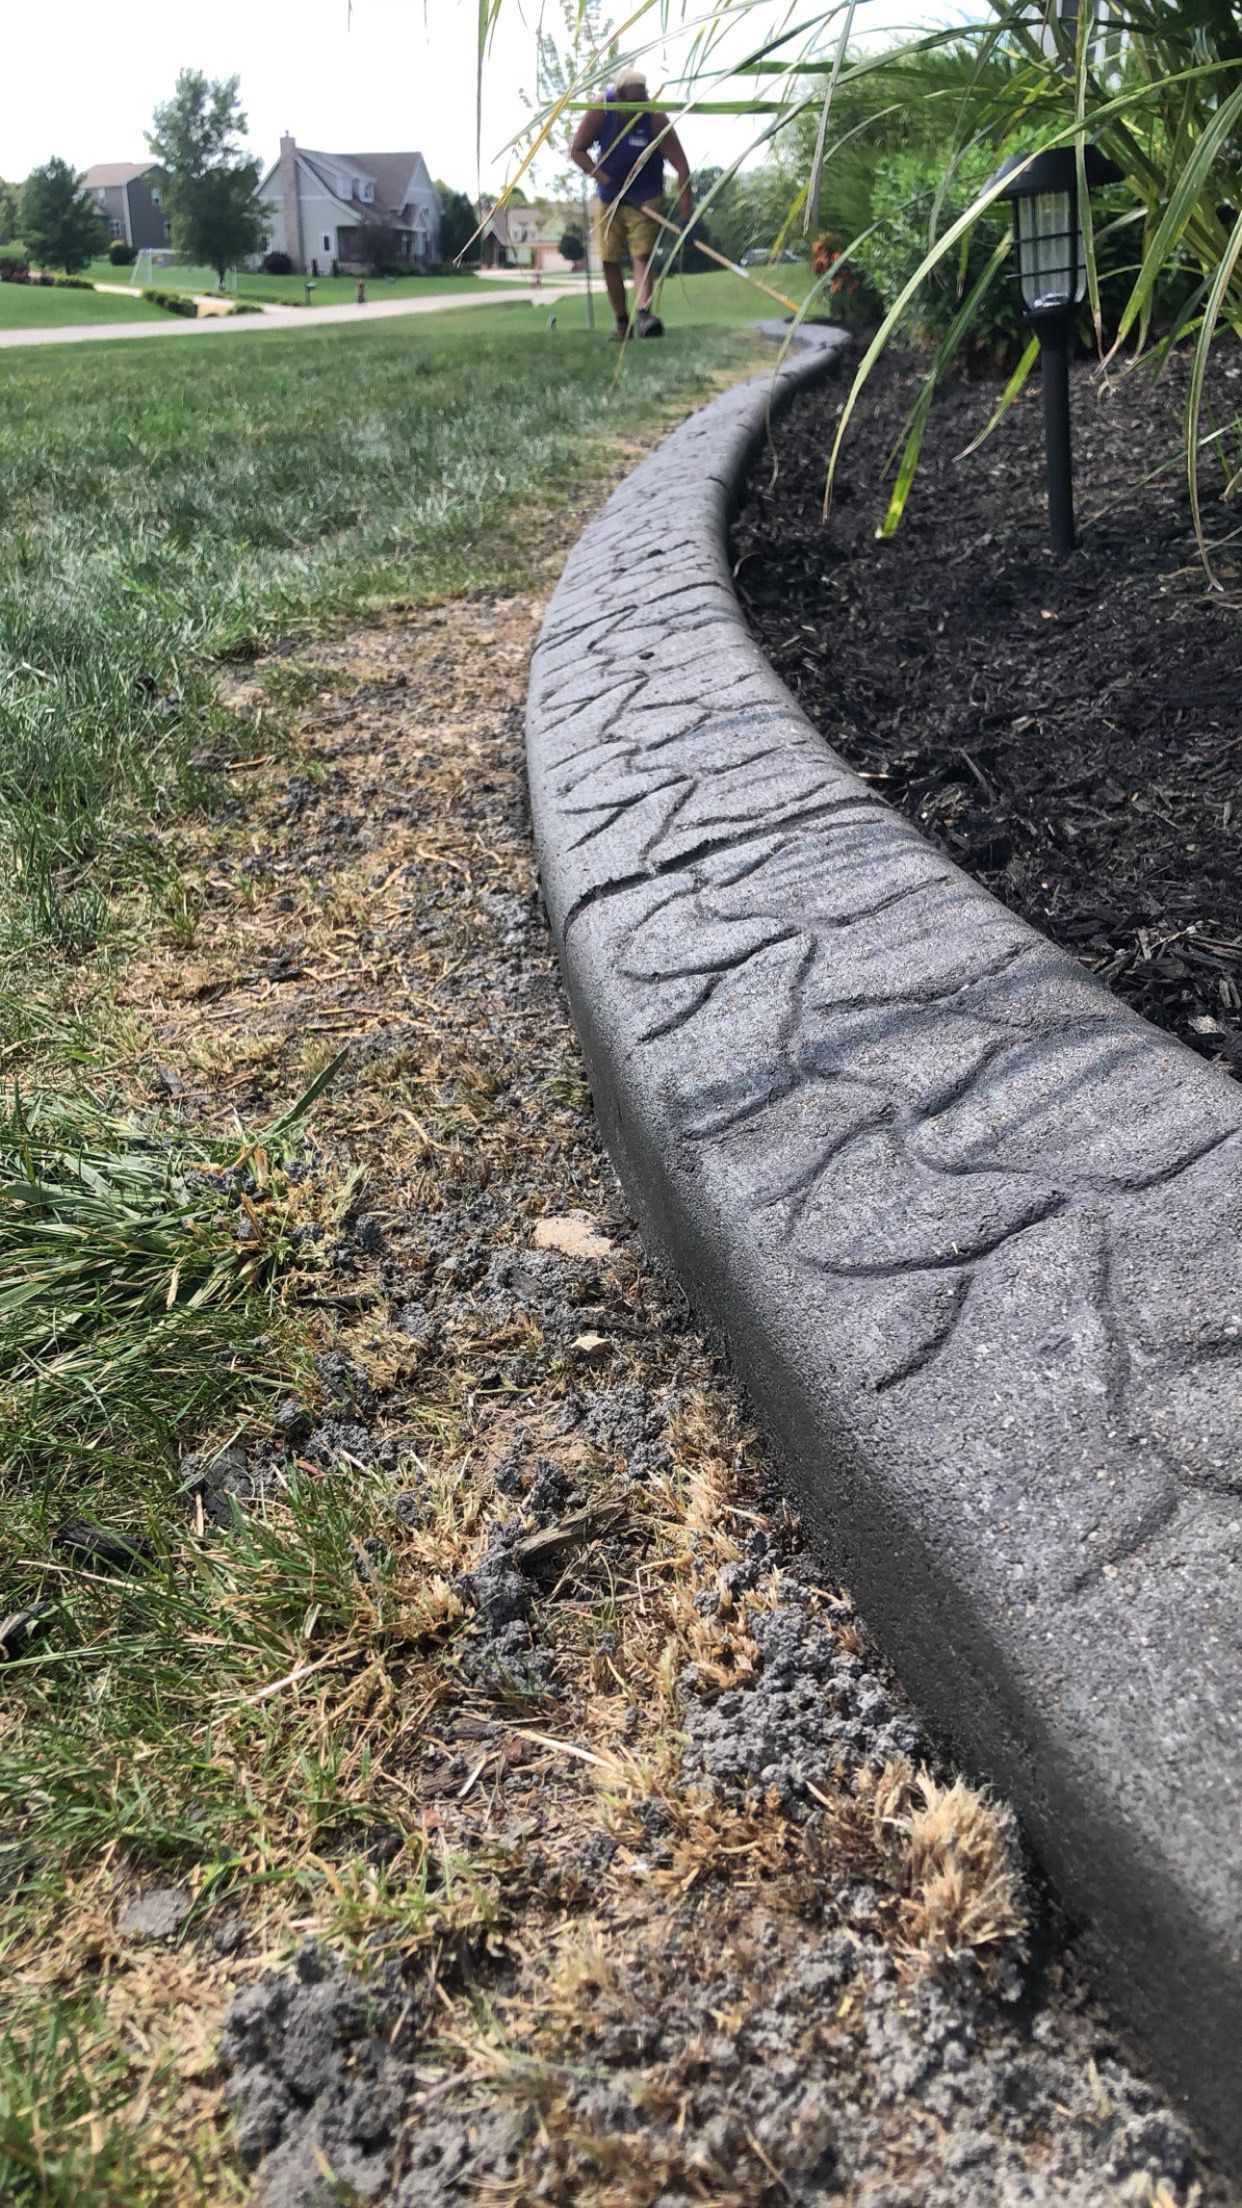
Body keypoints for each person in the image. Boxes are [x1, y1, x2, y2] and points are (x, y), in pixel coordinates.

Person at [570, 67, 692, 341]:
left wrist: (687, 218)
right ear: (619, 96)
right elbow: (576, 150)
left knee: (641, 255)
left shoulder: (655, 118)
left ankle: (644, 315)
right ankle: (622, 324)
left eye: (643, 99)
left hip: (646, 197)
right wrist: (604, 179)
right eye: (632, 102)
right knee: (609, 259)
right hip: (609, 198)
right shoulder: (601, 109)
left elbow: (682, 167)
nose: (639, 106)